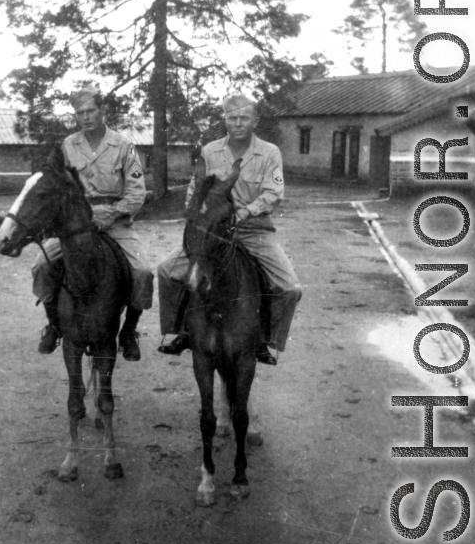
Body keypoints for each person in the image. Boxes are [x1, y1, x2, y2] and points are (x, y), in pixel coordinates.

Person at [157, 92, 302, 365]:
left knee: (289, 288)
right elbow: (195, 189)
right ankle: (181, 331)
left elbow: (273, 193)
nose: (237, 123)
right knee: (167, 270)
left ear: (255, 121)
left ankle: (264, 340)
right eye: (232, 117)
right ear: (224, 119)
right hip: (213, 234)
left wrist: (244, 213)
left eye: (244, 118)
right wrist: (196, 215)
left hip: (254, 231)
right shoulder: (210, 151)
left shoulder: (270, 153)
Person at [32, 85, 154, 361]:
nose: (86, 117)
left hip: (115, 223)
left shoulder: (124, 146)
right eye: (80, 113)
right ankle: (53, 325)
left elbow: (137, 192)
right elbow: (59, 187)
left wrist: (111, 213)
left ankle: (128, 331)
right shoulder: (68, 145)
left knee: (143, 273)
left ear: (103, 111)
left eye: (91, 111)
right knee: (41, 266)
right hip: (76, 224)